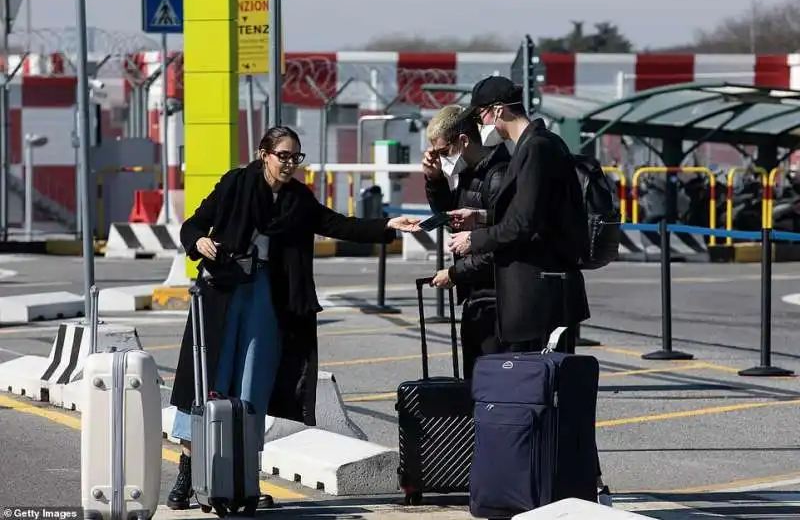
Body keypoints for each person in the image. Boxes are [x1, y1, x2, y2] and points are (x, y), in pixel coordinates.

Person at [166, 126, 420, 510]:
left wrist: (386, 226)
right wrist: (198, 241)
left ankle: (244, 480)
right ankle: (189, 472)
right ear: (263, 153)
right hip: (223, 292)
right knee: (207, 383)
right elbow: (193, 225)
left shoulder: (298, 200)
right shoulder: (236, 184)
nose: (289, 164)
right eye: (283, 155)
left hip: (269, 297)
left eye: (295, 157)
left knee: (253, 388)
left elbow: (338, 224)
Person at [445, 76, 612, 505]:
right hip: (533, 292)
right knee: (542, 395)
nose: (484, 123)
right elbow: (527, 214)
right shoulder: (535, 147)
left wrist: (474, 241)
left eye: (483, 114)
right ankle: (551, 481)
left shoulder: (537, 148)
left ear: (499, 110)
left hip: (542, 296)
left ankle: (580, 483)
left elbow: (525, 225)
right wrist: (481, 217)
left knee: (548, 394)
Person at [421, 104, 510, 379]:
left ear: (462, 140)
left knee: (491, 383)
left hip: (497, 300)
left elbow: (502, 243)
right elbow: (451, 219)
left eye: (443, 151)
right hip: (476, 296)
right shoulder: (469, 171)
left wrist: (455, 272)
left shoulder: (497, 175)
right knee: (476, 383)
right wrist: (434, 180)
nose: (440, 158)